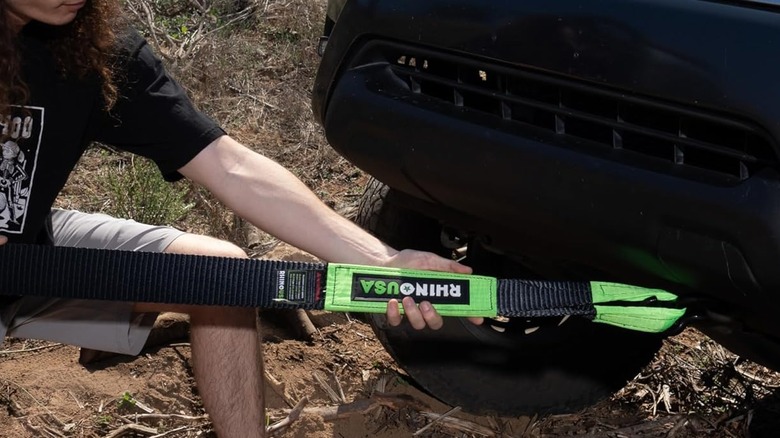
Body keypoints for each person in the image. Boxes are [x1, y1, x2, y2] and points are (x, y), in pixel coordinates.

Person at [0, 1, 479, 437]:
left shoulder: (93, 47)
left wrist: (384, 259)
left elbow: (231, 168)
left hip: (32, 254)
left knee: (221, 274)